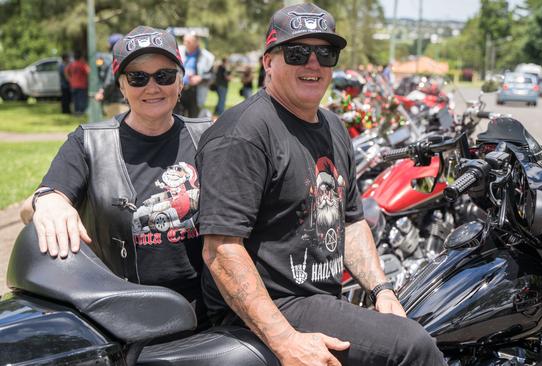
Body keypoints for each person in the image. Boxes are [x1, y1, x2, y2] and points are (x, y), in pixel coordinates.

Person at [196, 3, 447, 366]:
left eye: (325, 53)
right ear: (269, 61)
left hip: (317, 297)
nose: (313, 64)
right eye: (297, 52)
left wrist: (383, 290)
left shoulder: (333, 127)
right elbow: (221, 251)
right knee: (413, 345)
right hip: (273, 305)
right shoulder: (244, 134)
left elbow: (351, 221)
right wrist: (285, 340)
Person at [20, 26, 212, 326]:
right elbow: (37, 201)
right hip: (123, 314)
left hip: (207, 310)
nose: (152, 87)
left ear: (180, 81)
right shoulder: (89, 142)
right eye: (138, 77)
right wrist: (48, 202)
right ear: (121, 86)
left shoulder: (209, 137)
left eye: (164, 75)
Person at [178, 33, 215, 118]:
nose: (185, 44)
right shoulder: (179, 52)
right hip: (180, 90)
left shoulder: (207, 57)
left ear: (196, 43)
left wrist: (200, 78)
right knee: (178, 117)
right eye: (185, 41)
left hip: (195, 91)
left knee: (193, 118)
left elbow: (212, 75)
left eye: (189, 42)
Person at [95, 33, 129, 117]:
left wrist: (102, 93)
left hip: (115, 103)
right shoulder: (128, 58)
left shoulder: (112, 59)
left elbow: (110, 81)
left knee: (115, 128)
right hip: (126, 101)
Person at [65, 50, 90, 115]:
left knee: (75, 99)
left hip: (73, 85)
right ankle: (81, 111)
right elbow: (88, 71)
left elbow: (66, 71)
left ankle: (76, 111)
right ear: (81, 57)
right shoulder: (83, 64)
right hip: (82, 85)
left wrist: (69, 79)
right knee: (81, 99)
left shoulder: (71, 64)